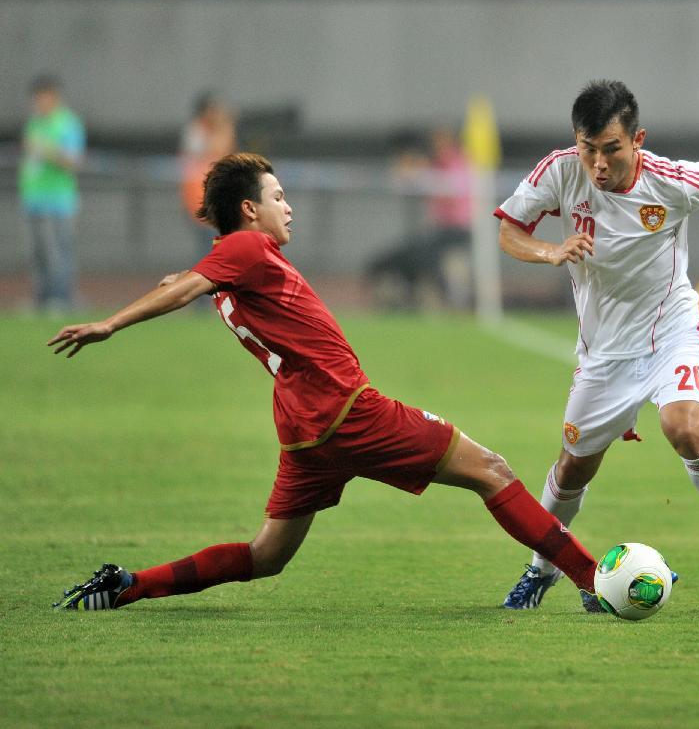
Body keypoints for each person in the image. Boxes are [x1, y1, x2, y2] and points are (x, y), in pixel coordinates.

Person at [49, 153, 602, 612]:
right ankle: (594, 581)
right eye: (278, 197)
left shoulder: (233, 263)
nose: (288, 207)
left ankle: (128, 585)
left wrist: (187, 282)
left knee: (266, 556)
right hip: (348, 410)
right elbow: (188, 286)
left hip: (305, 430)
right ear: (249, 209)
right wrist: (111, 322)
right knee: (492, 470)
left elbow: (196, 282)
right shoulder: (243, 248)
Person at [494, 80, 699, 611]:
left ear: (637, 140)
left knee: (684, 426)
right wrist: (549, 251)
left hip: (670, 330)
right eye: (588, 148)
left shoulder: (672, 180)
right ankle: (542, 569)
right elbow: (509, 231)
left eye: (611, 149)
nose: (597, 164)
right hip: (603, 352)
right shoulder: (559, 170)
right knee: (573, 467)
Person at [368, 127, 473, 310]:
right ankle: (414, 296)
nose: (438, 146)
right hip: (438, 230)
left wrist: (424, 177)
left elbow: (450, 192)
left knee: (426, 256)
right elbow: (403, 180)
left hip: (457, 230)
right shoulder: (433, 165)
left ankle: (449, 298)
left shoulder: (459, 163)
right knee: (411, 254)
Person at [19, 74, 85, 311]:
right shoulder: (34, 122)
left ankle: (62, 298)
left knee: (59, 252)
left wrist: (48, 151)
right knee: (37, 253)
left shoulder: (67, 123)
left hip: (59, 200)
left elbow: (74, 161)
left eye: (43, 97)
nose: (39, 102)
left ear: (54, 97)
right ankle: (41, 298)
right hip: (33, 198)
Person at [180, 91, 237, 262]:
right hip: (201, 198)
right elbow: (214, 150)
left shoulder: (213, 130)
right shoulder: (197, 131)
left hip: (216, 197)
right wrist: (225, 124)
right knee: (212, 251)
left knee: (218, 247)